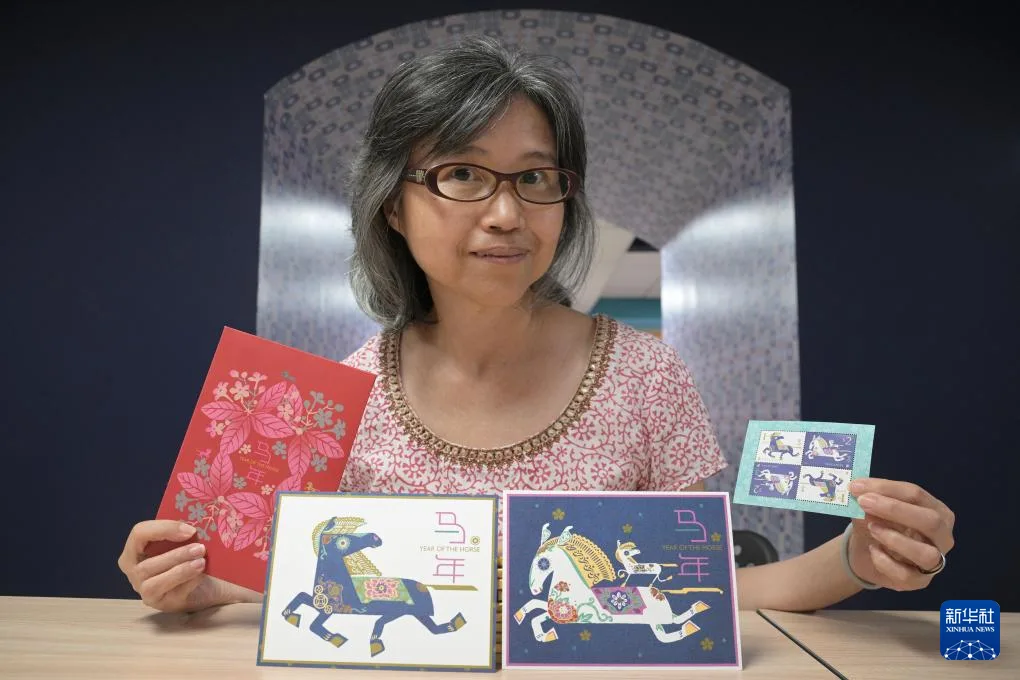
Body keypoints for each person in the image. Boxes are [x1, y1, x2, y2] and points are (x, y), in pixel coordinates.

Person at [117, 35, 954, 616]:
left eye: (535, 177)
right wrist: (207, 585)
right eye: (461, 174)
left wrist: (858, 558)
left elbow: (705, 593)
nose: (507, 214)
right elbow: (325, 594)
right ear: (393, 207)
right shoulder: (336, 401)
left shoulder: (647, 377)